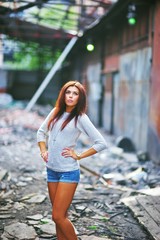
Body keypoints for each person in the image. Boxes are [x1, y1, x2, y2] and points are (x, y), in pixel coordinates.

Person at [37, 81, 107, 240]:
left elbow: (101, 143)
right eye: (68, 92)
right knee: (59, 217)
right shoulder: (55, 112)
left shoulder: (80, 118)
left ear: (79, 98)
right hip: (52, 170)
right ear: (63, 94)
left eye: (75, 94)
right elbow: (40, 133)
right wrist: (43, 151)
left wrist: (79, 155)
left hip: (68, 172)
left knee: (57, 216)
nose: (71, 96)